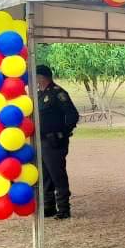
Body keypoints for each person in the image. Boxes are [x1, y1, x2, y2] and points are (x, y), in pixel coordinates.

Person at [36, 65, 79, 220]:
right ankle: (49, 206)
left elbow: (72, 115)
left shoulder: (58, 93)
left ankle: (63, 208)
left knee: (57, 174)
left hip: (54, 140)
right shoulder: (39, 94)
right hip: (41, 140)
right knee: (45, 174)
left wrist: (63, 133)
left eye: (36, 77)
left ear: (42, 77)